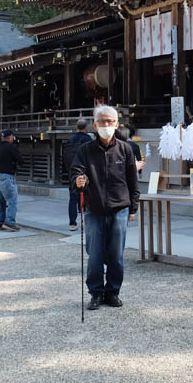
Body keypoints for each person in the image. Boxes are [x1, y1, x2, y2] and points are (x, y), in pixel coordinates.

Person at [71, 105, 139, 311]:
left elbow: (132, 181)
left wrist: (133, 208)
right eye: (102, 121)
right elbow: (75, 175)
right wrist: (78, 181)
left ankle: (113, 292)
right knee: (95, 255)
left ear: (117, 124)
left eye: (110, 121)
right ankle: (96, 293)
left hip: (120, 208)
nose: (106, 125)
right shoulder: (85, 150)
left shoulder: (125, 149)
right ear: (95, 124)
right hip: (94, 209)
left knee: (116, 254)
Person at [65, 119, 93, 231]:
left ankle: (72, 223)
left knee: (73, 198)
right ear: (86, 127)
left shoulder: (70, 140)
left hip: (73, 172)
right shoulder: (88, 139)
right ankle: (86, 220)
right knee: (87, 197)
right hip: (85, 172)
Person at [0, 129, 22, 231]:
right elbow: (21, 160)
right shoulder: (11, 147)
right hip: (6, 176)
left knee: (0, 201)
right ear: (10, 137)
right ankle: (9, 222)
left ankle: (0, 223)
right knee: (12, 200)